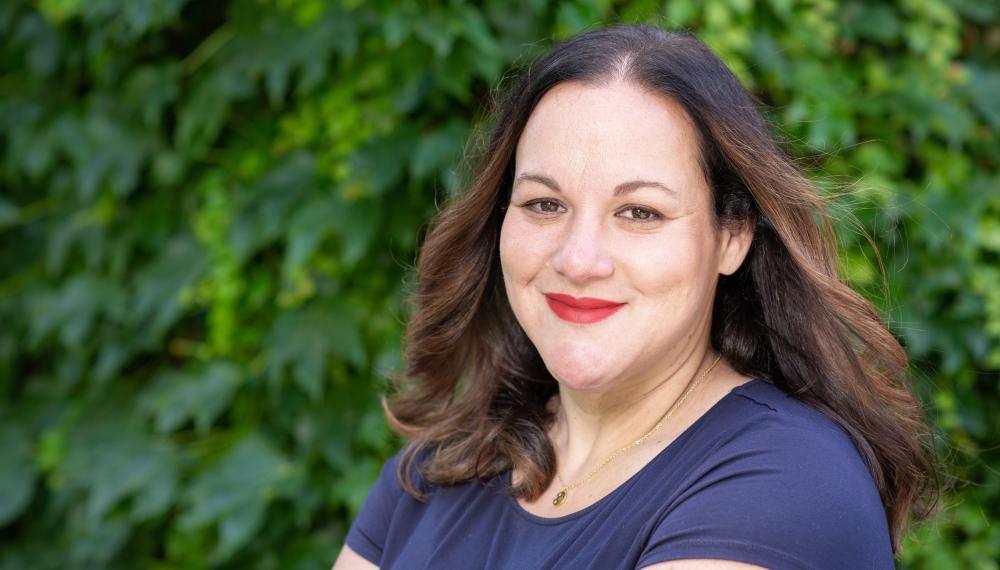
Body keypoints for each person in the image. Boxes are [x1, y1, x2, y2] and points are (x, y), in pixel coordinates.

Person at [332, 23, 939, 570]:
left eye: (639, 212)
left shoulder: (789, 484)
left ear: (732, 236)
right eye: (545, 204)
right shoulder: (435, 473)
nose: (578, 259)